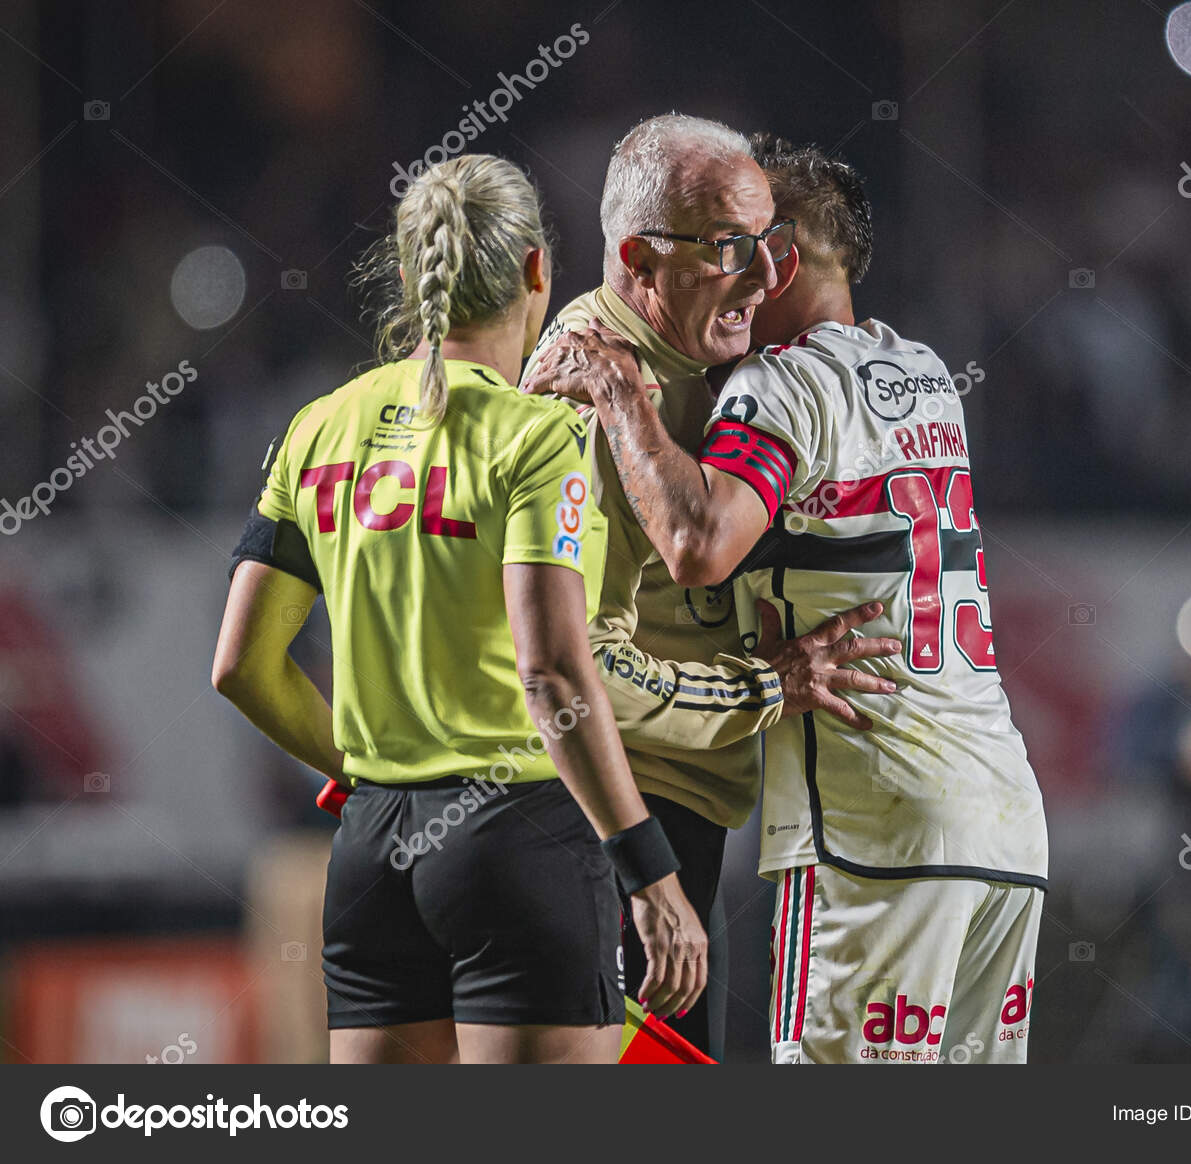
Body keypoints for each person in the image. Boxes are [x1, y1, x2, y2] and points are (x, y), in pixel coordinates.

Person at [529, 138, 1049, 1064]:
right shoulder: (924, 371)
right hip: (1005, 824)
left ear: (782, 257)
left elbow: (695, 542)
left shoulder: (780, 382)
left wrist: (619, 392)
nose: (732, 273)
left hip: (875, 826)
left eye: (745, 246)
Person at [211, 154, 706, 1065]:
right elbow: (552, 670)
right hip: (519, 844)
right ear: (536, 272)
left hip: (372, 858)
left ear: (408, 277)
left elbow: (241, 663)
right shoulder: (542, 437)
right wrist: (649, 869)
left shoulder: (318, 425)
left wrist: (360, 771)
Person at [521, 114, 898, 1057]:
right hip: (603, 824)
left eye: (770, 246)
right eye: (733, 248)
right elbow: (570, 678)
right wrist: (765, 686)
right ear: (639, 258)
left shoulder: (711, 362)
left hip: (681, 818)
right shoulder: (586, 394)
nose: (767, 279)